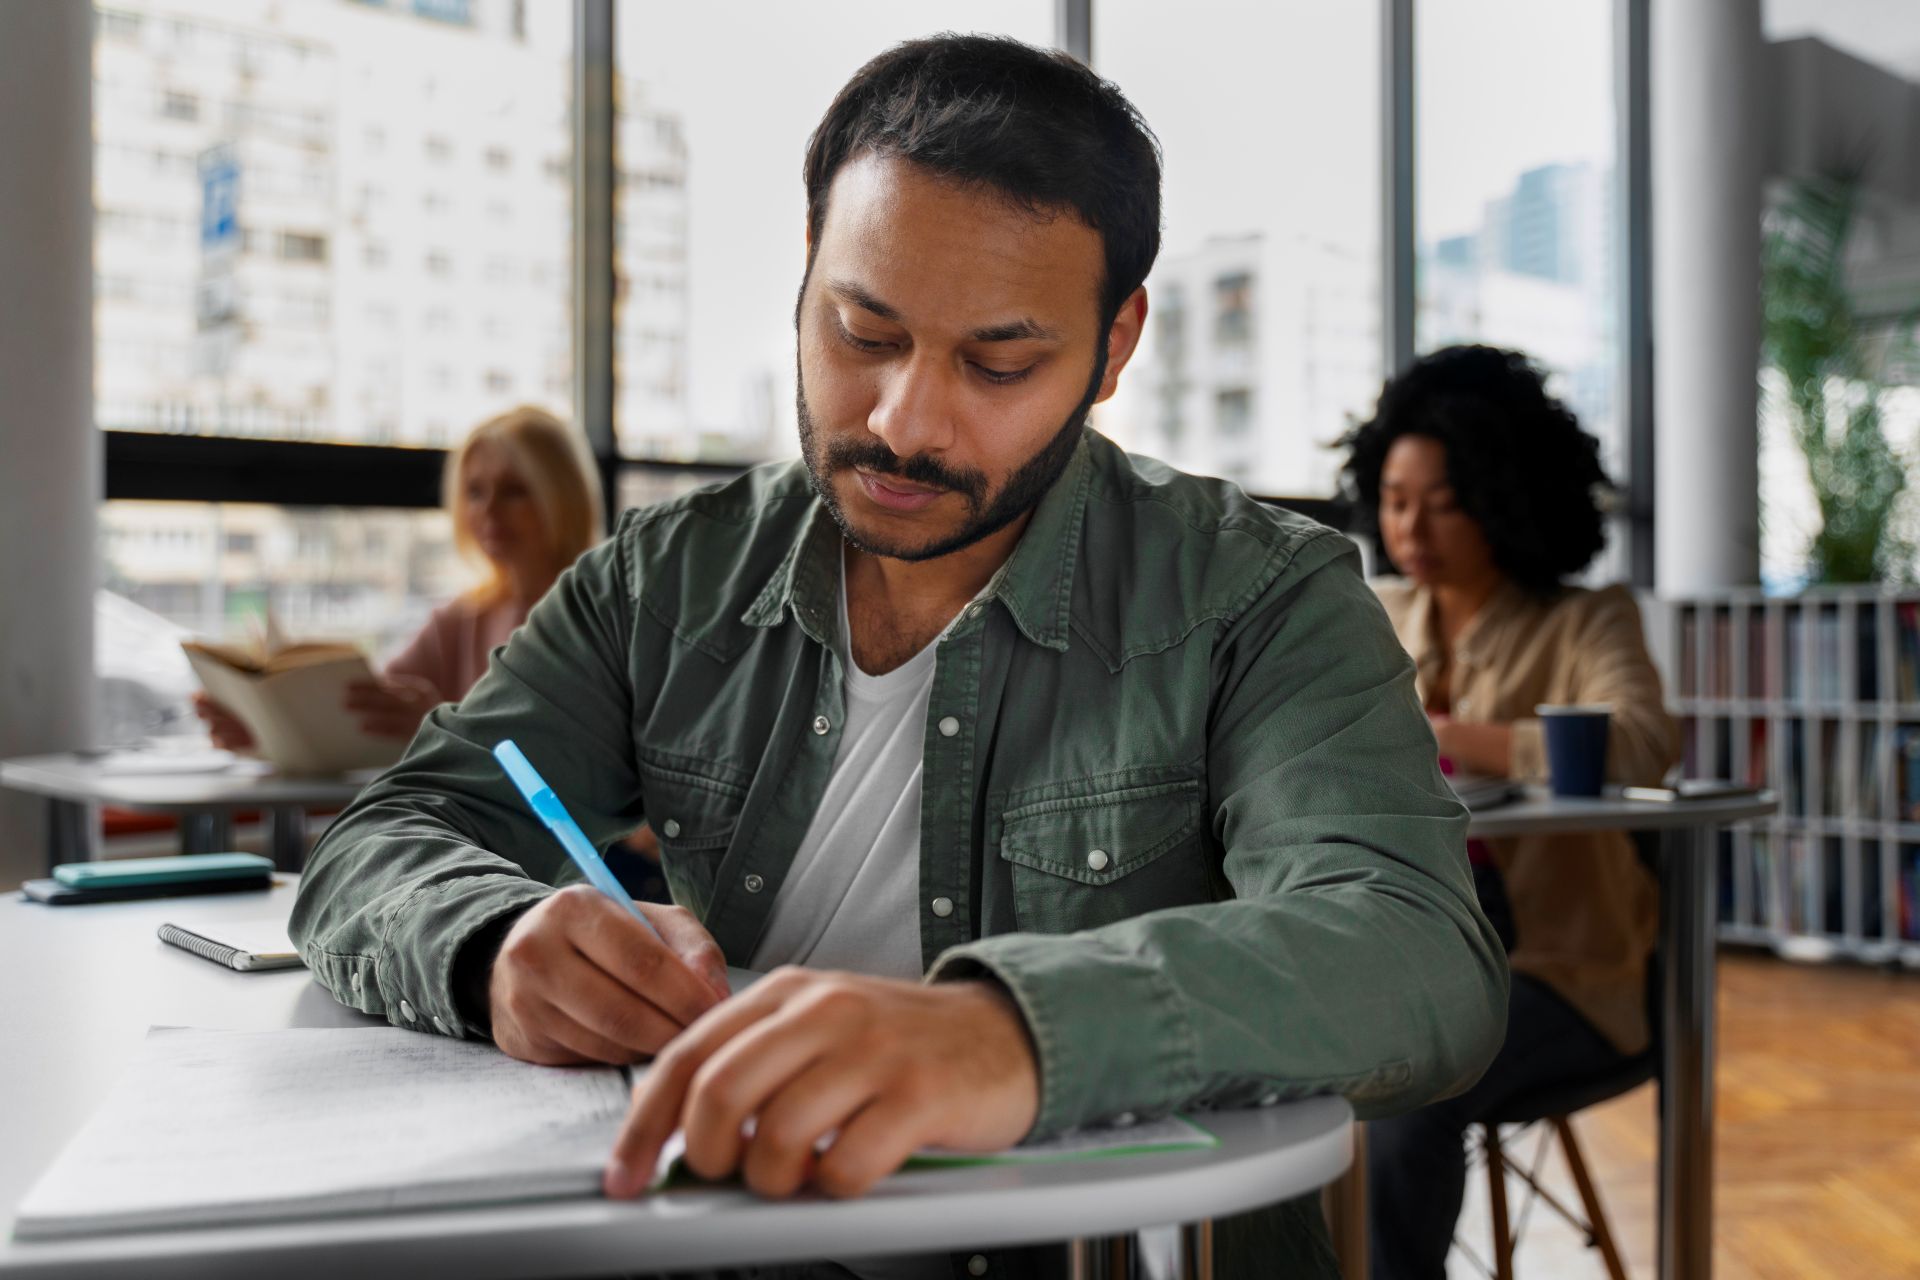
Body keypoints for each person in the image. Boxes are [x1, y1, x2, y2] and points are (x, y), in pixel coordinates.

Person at [292, 36, 1506, 1279]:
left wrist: (1008, 1033)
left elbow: (1415, 951)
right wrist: (493, 942)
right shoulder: (665, 578)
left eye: (999, 362)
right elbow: (391, 833)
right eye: (863, 331)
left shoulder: (1257, 592)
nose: (904, 423)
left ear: (1116, 343)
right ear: (806, 272)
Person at [1341, 345, 1681, 1280]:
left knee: (1407, 1088)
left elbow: (1642, 742)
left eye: (1443, 501)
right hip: (1401, 954)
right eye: (1397, 498)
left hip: (1560, 974)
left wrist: (1454, 733)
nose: (1413, 525)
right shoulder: (1366, 612)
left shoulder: (1586, 621)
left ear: (1506, 492)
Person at [193, 405, 603, 749]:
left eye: (515, 490)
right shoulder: (459, 621)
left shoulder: (602, 621)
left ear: (562, 496)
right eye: (475, 492)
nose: (488, 511)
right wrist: (267, 730)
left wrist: (445, 731)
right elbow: (368, 716)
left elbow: (584, 768)